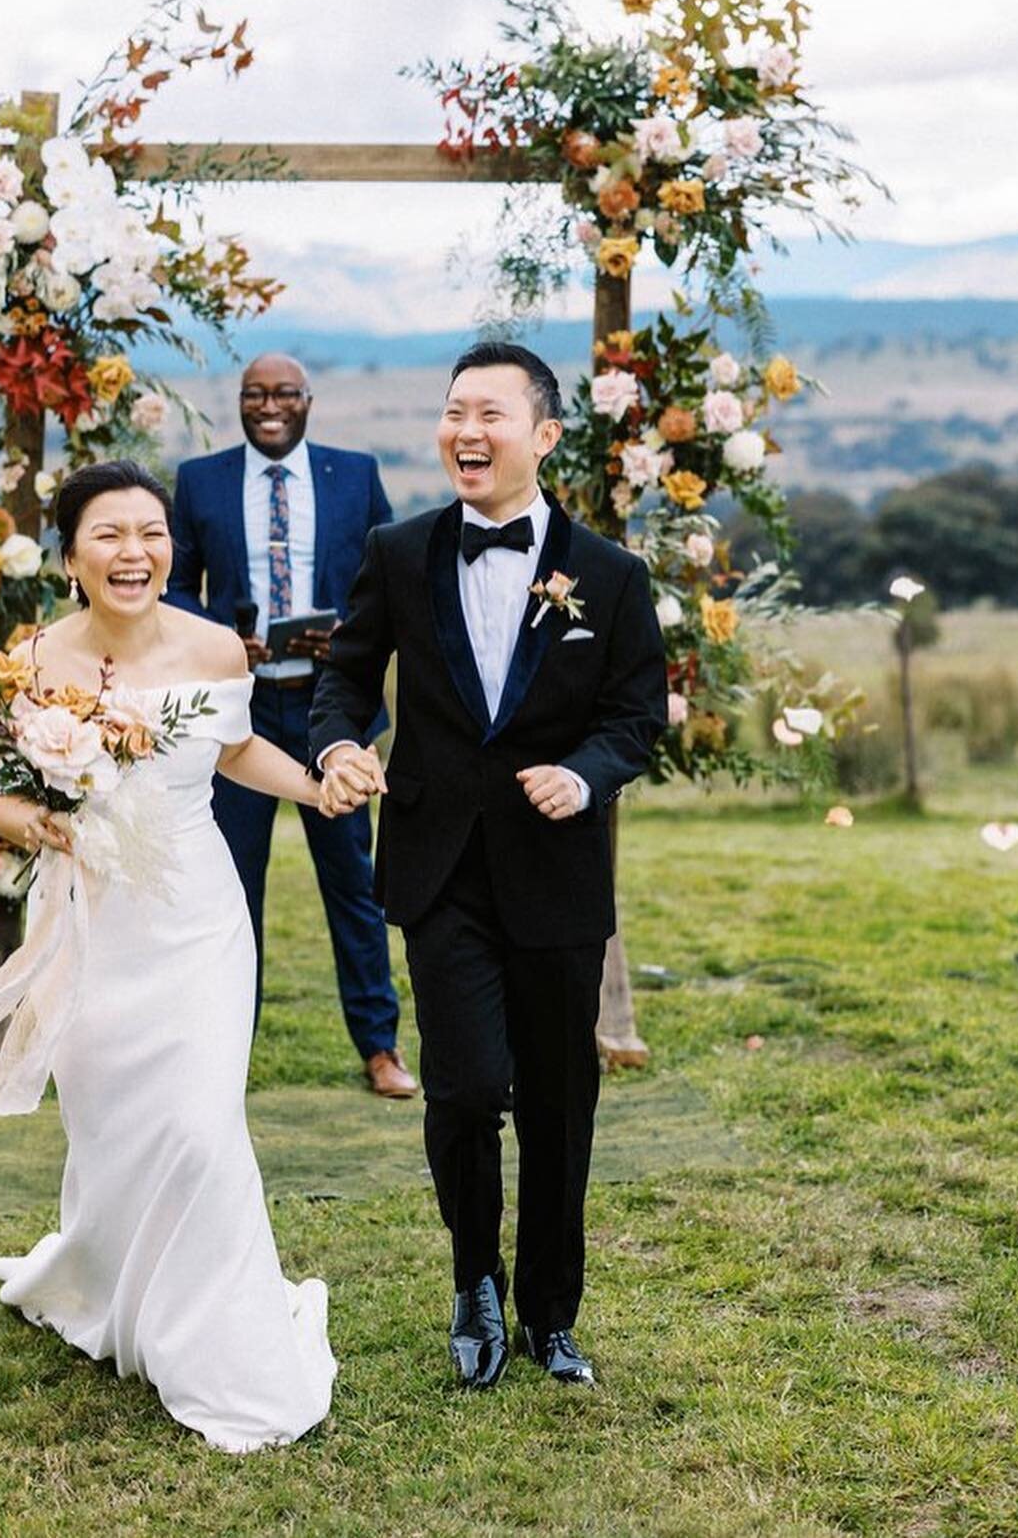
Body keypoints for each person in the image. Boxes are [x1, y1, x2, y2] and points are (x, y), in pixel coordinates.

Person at [0, 459, 337, 1453]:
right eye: (108, 534)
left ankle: (223, 1347)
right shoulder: (29, 658)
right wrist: (36, 821)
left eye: (150, 532)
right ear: (69, 555)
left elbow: (237, 750)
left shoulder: (212, 645)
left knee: (201, 1127)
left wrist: (318, 785)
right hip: (90, 918)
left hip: (197, 914)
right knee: (115, 1127)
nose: (134, 551)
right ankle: (113, 1281)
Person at [309, 341, 666, 1391]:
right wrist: (336, 745)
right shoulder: (397, 547)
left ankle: (552, 1312)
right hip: (439, 864)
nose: (466, 431)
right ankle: (473, 1277)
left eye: (490, 414)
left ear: (543, 435)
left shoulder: (608, 574)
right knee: (463, 1086)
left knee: (559, 1101)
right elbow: (346, 677)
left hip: (554, 868)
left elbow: (633, 714)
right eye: (453, 411)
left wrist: (586, 773)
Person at [166, 352, 417, 1100]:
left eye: (282, 393)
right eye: (254, 394)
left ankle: (379, 1045)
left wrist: (346, 630)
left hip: (329, 712)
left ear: (308, 401)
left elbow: (389, 581)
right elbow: (175, 584)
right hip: (235, 713)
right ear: (238, 402)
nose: (267, 405)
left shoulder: (355, 472)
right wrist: (215, 634)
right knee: (231, 889)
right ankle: (222, 1051)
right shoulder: (200, 480)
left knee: (353, 884)